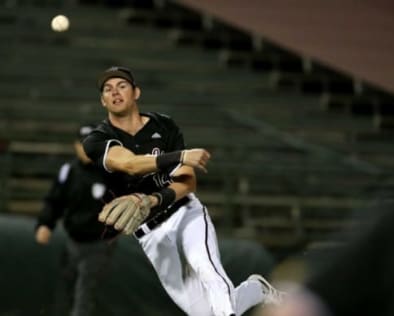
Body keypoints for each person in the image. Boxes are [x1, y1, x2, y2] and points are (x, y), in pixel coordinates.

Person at [82, 66, 284, 316]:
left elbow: (187, 181)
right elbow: (130, 164)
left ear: (136, 92)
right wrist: (182, 155)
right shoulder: (97, 139)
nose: (115, 92)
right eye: (107, 89)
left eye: (122, 86)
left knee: (209, 271)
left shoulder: (163, 126)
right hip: (150, 234)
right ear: (102, 100)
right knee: (202, 312)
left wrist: (154, 198)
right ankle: (256, 289)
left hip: (185, 213)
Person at [35, 124, 118, 316]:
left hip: (100, 243)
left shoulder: (110, 172)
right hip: (73, 241)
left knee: (85, 291)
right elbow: (54, 200)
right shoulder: (69, 171)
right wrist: (45, 224)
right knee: (67, 289)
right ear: (75, 146)